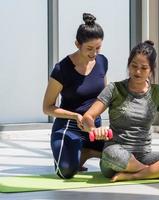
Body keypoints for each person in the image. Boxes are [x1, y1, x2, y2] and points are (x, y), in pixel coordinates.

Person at [82, 40, 159, 182]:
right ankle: (154, 172)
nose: (137, 71)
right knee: (111, 154)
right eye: (134, 66)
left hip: (144, 156)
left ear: (151, 69)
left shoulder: (157, 91)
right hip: (117, 156)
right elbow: (88, 116)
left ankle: (135, 174)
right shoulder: (114, 89)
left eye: (144, 68)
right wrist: (93, 129)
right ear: (128, 65)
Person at [43, 13, 108, 179]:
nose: (94, 53)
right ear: (77, 44)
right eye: (89, 48)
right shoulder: (61, 69)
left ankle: (86, 151)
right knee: (66, 171)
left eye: (98, 48)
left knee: (119, 162)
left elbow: (105, 96)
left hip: (94, 127)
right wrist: (76, 116)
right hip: (69, 127)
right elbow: (47, 107)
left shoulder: (102, 62)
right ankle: (75, 151)